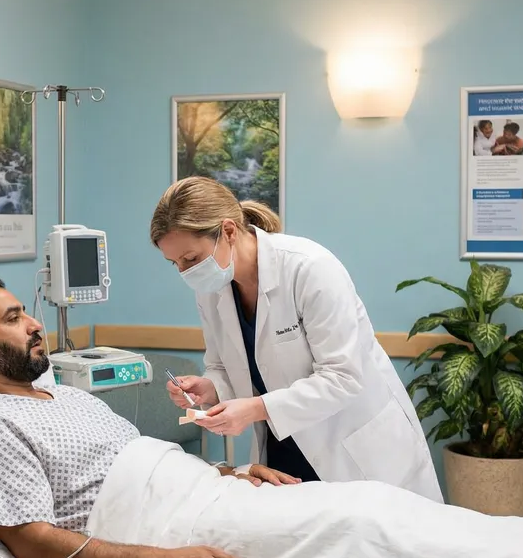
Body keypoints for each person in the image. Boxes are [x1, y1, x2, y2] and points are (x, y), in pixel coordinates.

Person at [0, 276, 299, 558]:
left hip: (211, 496)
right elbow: (33, 544)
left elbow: (141, 466)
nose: (35, 325)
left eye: (26, 312)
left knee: (332, 515)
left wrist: (230, 472)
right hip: (171, 529)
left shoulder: (67, 395)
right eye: (14, 319)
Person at [149, 176, 442, 502]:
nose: (185, 272)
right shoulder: (213, 289)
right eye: (174, 263)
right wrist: (211, 388)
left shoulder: (310, 269)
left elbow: (342, 378)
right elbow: (221, 364)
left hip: (354, 447)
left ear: (229, 231)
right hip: (283, 447)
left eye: (190, 258)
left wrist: (254, 409)